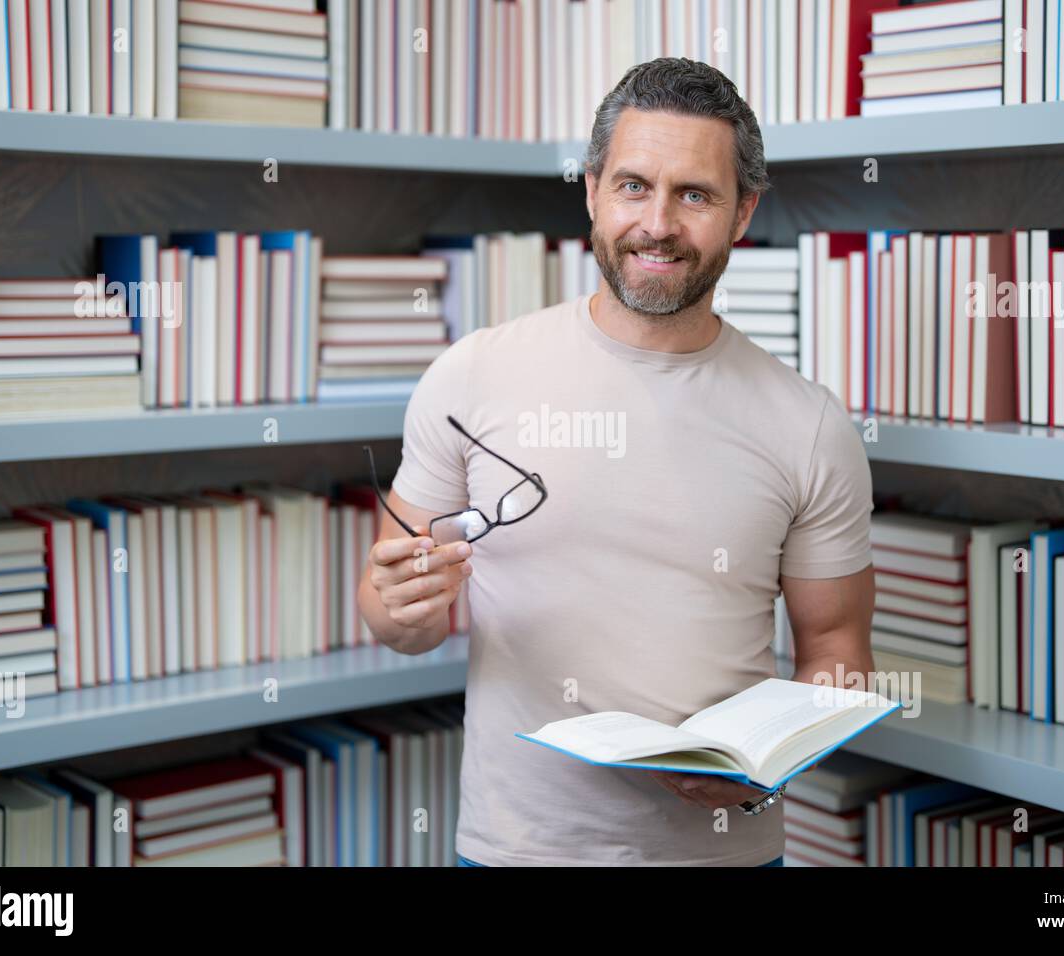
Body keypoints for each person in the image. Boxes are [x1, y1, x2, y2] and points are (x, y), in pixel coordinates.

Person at [356, 57, 876, 866]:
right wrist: (401, 611)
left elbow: (837, 651)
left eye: (695, 194)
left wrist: (771, 772)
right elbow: (391, 611)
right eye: (634, 186)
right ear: (593, 190)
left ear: (744, 213)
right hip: (515, 851)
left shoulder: (808, 424)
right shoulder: (471, 376)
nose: (658, 223)